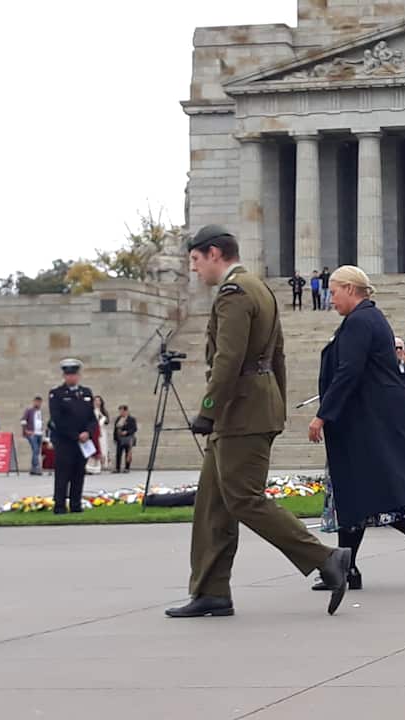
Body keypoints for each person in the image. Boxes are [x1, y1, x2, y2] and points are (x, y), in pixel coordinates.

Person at [167, 225, 350, 619]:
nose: (194, 269)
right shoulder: (260, 288)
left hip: (240, 410)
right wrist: (276, 404)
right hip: (252, 406)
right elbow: (277, 355)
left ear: (214, 254)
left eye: (195, 260)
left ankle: (326, 558)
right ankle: (211, 591)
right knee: (213, 505)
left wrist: (208, 408)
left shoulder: (234, 292)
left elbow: (228, 359)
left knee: (243, 498)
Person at [307, 265, 405, 594]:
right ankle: (352, 568)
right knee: (364, 496)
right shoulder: (367, 319)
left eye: (333, 292)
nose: (330, 299)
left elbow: (348, 371)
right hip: (369, 422)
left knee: (369, 494)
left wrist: (322, 415)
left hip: (368, 424)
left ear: (350, 289)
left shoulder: (361, 321)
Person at [49, 359, 97, 514]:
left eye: (74, 374)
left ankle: (76, 504)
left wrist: (88, 432)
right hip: (65, 441)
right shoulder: (57, 394)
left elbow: (92, 418)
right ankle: (60, 505)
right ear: (64, 376)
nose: (72, 377)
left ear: (78, 375)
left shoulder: (86, 393)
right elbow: (58, 420)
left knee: (79, 473)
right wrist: (76, 435)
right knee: (63, 474)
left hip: (83, 442)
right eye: (68, 375)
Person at [21, 396, 44, 476]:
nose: (38, 403)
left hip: (39, 433)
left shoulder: (40, 412)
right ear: (34, 402)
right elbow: (23, 420)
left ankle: (33, 468)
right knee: (35, 449)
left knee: (37, 451)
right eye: (36, 402)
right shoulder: (29, 411)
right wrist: (26, 430)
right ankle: (36, 467)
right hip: (32, 433)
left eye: (39, 402)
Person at [114, 405, 137, 473]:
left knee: (128, 453)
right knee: (118, 454)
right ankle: (117, 468)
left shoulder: (131, 419)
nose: (121, 413)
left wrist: (127, 432)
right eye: (120, 411)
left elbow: (134, 429)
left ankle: (127, 468)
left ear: (126, 411)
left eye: (122, 411)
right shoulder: (118, 418)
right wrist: (115, 438)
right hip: (119, 439)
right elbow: (115, 429)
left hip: (128, 438)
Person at [93, 395, 112, 473]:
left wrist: (102, 416)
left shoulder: (103, 411)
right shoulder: (91, 410)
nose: (97, 402)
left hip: (102, 431)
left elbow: (106, 421)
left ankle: (102, 464)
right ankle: (95, 465)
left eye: (99, 401)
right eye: (96, 400)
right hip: (94, 431)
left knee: (103, 447)